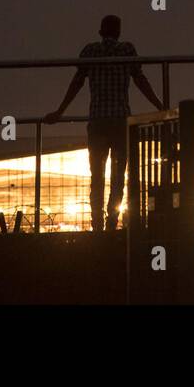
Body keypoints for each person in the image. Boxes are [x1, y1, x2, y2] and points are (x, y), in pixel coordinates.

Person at [44, 15, 164, 233]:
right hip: (120, 121)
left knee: (97, 176)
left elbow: (77, 83)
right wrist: (159, 105)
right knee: (119, 176)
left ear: (100, 31)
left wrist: (60, 111)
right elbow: (141, 81)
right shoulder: (127, 51)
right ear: (119, 32)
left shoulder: (90, 52)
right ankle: (112, 220)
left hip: (98, 122)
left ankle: (97, 222)